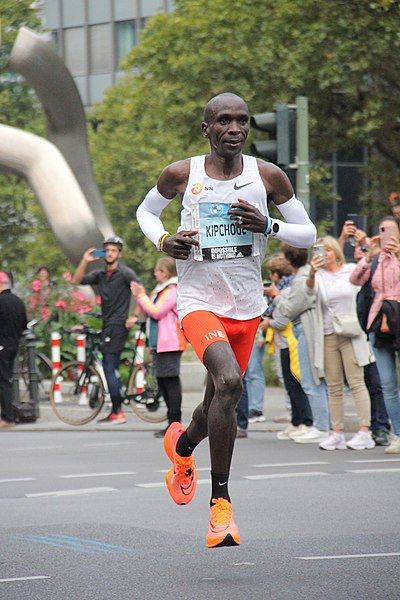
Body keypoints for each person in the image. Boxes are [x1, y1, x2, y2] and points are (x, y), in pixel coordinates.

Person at [136, 92, 316, 547]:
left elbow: (308, 234)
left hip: (246, 306)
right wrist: (163, 240)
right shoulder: (182, 174)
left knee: (220, 398)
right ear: (207, 129)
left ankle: (181, 448)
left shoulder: (267, 176)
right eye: (224, 121)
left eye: (242, 121)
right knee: (231, 382)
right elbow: (145, 211)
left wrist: (269, 226)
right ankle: (221, 506)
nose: (234, 128)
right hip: (198, 300)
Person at [307, 236, 376, 450]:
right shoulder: (318, 276)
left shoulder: (350, 269)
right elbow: (309, 292)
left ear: (336, 251)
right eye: (320, 250)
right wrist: (311, 272)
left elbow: (363, 289)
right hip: (328, 333)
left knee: (356, 382)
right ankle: (336, 433)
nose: (324, 254)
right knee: (334, 385)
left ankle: (364, 431)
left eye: (328, 250)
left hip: (351, 332)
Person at [71, 236, 140, 424]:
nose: (109, 253)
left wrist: (134, 316)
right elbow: (76, 281)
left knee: (109, 367)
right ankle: (116, 409)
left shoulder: (126, 273)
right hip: (106, 324)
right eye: (107, 250)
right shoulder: (100, 275)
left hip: (117, 325)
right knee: (111, 366)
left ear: (120, 253)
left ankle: (118, 412)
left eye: (113, 250)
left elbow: (141, 292)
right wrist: (85, 261)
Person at [349, 216, 400, 454]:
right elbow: (355, 279)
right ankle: (397, 434)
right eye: (382, 231)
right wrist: (369, 255)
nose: (386, 235)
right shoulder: (377, 257)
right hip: (380, 323)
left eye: (390, 230)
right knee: (388, 384)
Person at [270, 244, 331, 443]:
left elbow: (290, 309)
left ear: (288, 260)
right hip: (305, 328)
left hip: (304, 328)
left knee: (311, 380)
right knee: (314, 379)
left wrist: (276, 298)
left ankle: (321, 426)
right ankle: (321, 425)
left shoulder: (301, 279)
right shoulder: (307, 275)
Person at [338, 222, 391, 446]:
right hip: (362, 327)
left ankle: (382, 427)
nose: (361, 251)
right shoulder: (359, 266)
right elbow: (349, 274)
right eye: (359, 250)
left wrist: (371, 249)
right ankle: (374, 425)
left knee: (379, 381)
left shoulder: (384, 261)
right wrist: (346, 241)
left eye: (365, 249)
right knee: (369, 380)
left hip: (380, 325)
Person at [130, 257, 186, 438]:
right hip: (161, 343)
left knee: (170, 381)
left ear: (167, 272)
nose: (155, 274)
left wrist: (141, 295)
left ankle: (175, 424)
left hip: (170, 342)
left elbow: (156, 311)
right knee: (163, 381)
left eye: (158, 270)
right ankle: (172, 423)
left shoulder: (172, 290)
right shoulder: (163, 290)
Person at [262, 254, 314, 441]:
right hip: (284, 342)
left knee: (296, 383)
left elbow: (284, 319)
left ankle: (306, 421)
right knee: (291, 384)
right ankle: (296, 421)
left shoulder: (285, 291)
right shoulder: (286, 288)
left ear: (276, 275)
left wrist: (269, 323)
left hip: (290, 341)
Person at [0, 271, 27, 429]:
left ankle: (7, 418)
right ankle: (7, 415)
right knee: (7, 380)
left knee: (3, 382)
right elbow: (24, 324)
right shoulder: (18, 301)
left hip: (2, 345)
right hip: (14, 345)